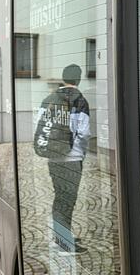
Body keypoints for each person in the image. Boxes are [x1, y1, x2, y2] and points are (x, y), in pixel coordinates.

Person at [39, 63, 91, 254]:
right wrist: (82, 152)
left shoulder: (49, 99)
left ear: (63, 78)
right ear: (78, 79)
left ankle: (61, 236)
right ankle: (62, 243)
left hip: (53, 158)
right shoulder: (80, 101)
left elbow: (40, 125)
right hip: (72, 159)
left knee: (60, 197)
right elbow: (84, 133)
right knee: (67, 200)